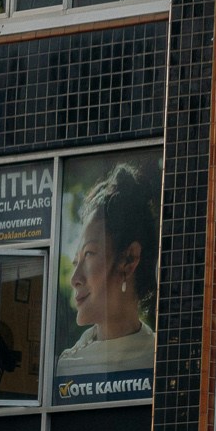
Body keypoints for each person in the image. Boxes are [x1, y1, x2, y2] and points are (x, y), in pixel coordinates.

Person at [56, 161, 158, 382]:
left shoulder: (160, 361)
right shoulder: (67, 368)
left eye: (89, 254)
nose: (74, 279)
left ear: (129, 259)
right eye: (76, 262)